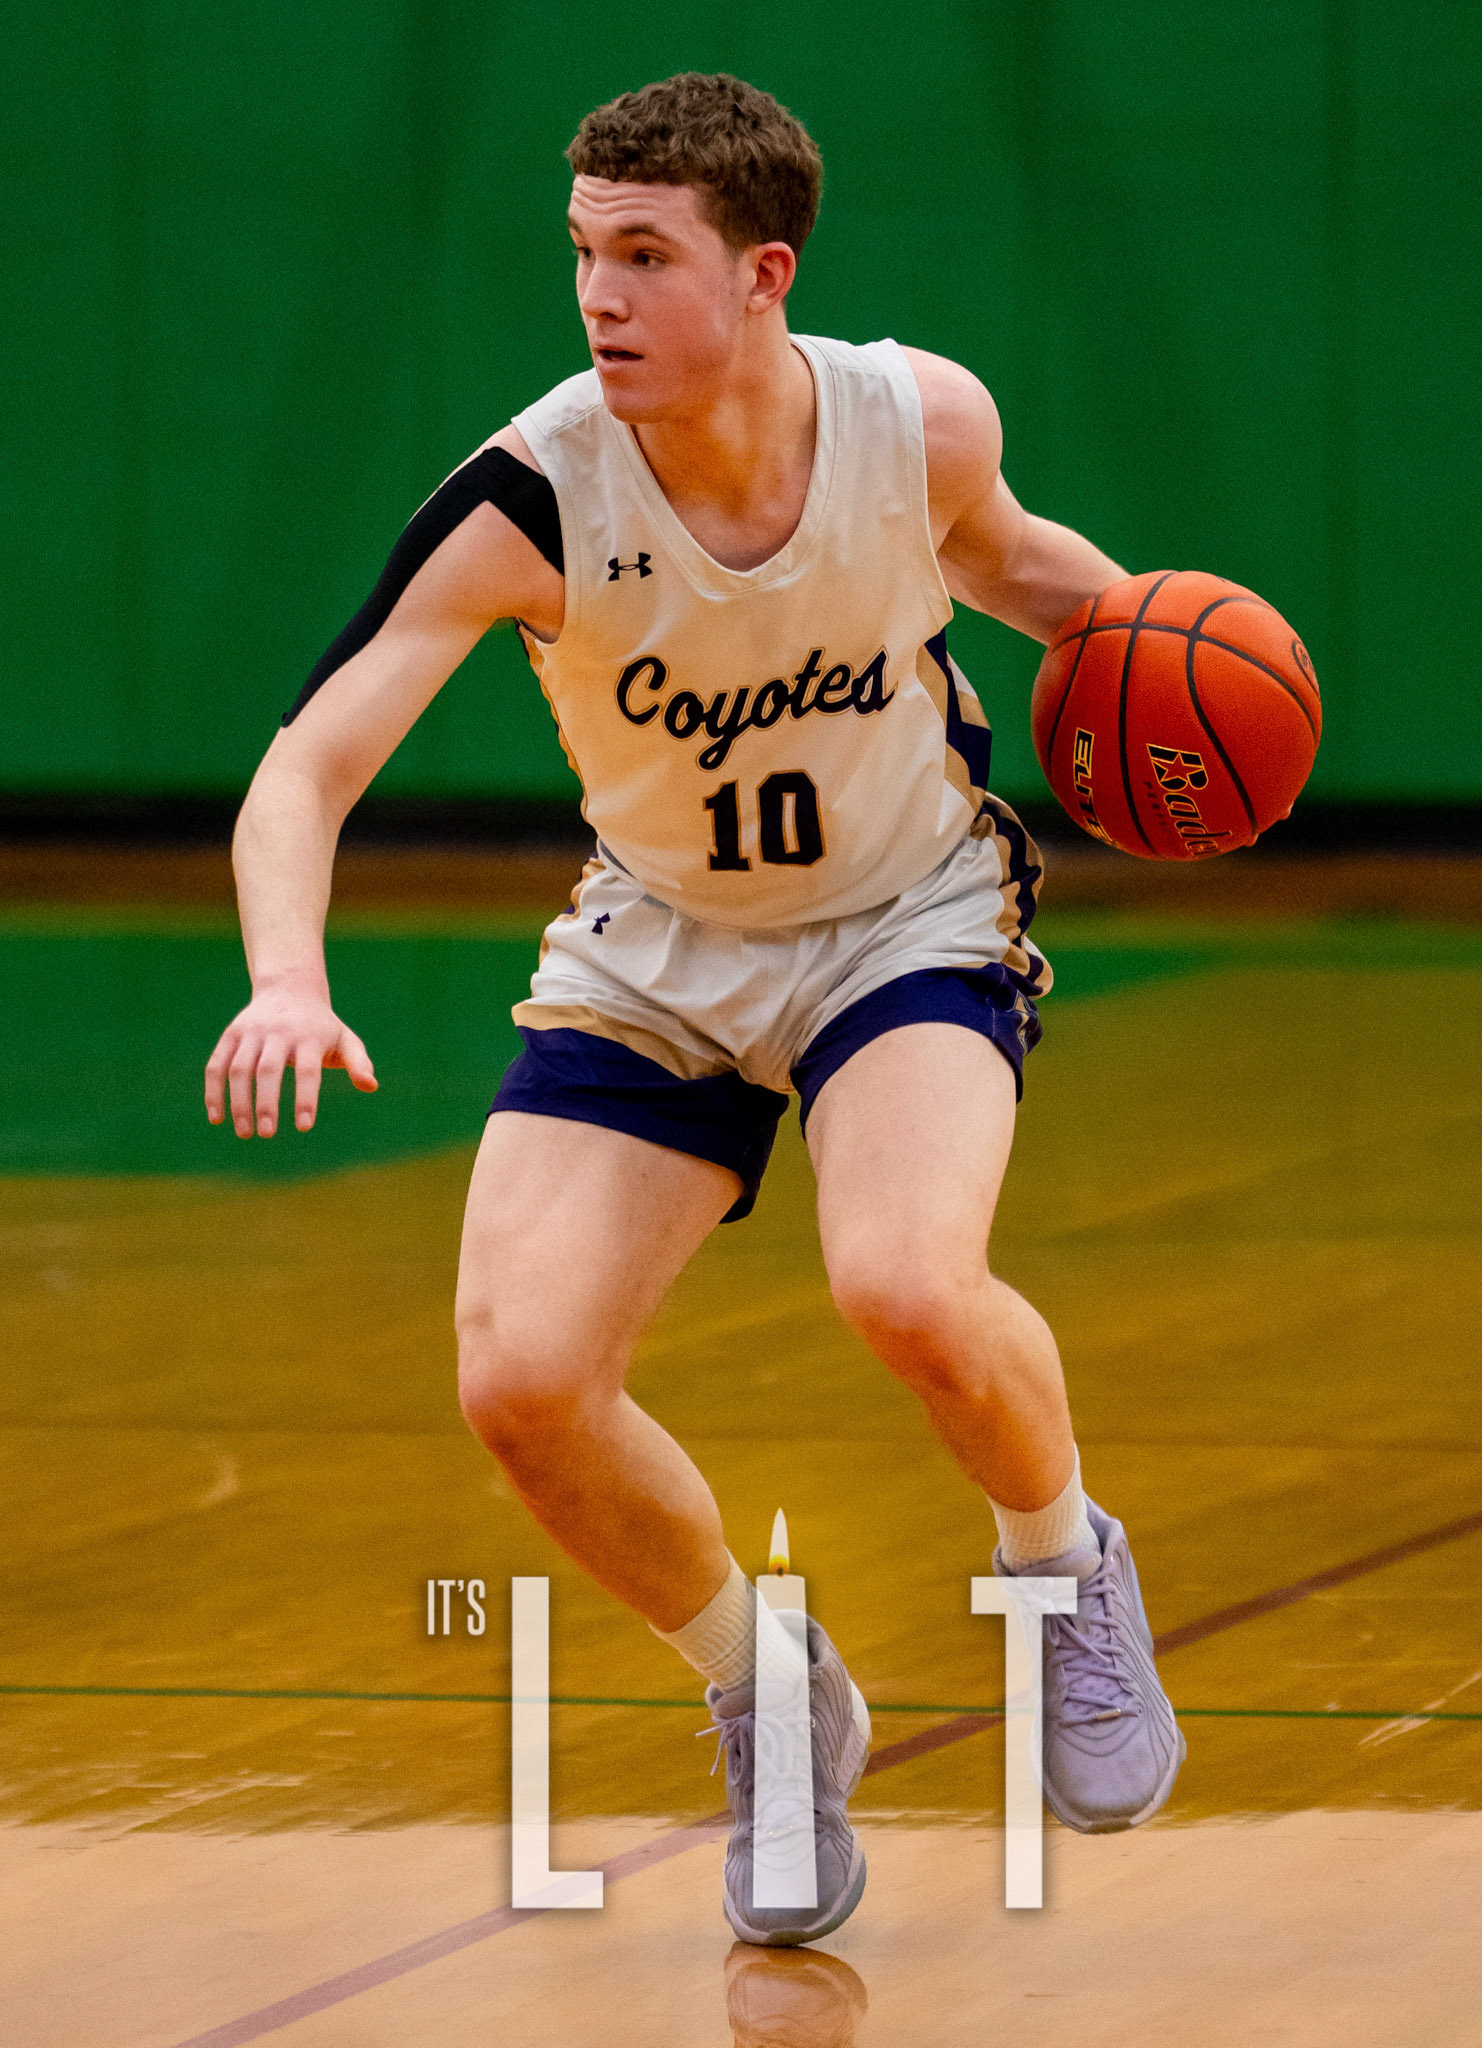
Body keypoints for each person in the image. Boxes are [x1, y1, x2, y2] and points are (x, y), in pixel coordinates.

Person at [204, 71, 1184, 1946]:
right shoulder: (530, 500)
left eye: (645, 255)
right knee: (520, 1382)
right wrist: (283, 980)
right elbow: (306, 767)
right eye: (585, 251)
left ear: (762, 273)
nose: (600, 294)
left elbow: (1009, 564)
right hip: (660, 945)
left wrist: (1165, 643)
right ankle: (765, 1684)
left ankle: (1062, 1566)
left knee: (903, 1283)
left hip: (904, 913)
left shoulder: (916, 422)